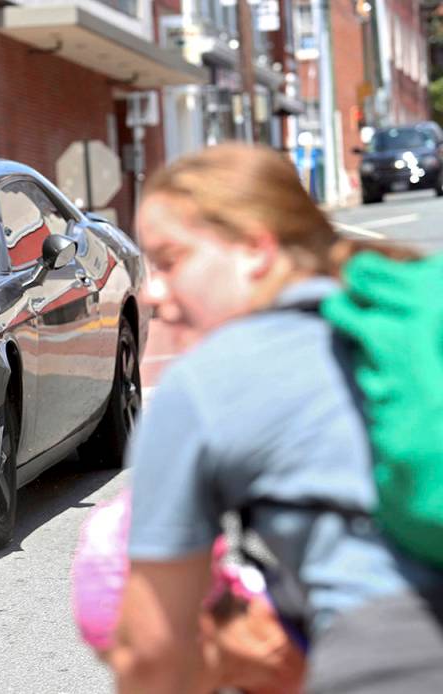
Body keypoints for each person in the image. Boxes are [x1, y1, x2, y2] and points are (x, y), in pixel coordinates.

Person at [106, 144, 443, 693]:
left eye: (170, 261)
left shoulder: (204, 388)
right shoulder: (409, 316)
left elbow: (154, 653)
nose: (154, 293)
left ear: (256, 251)